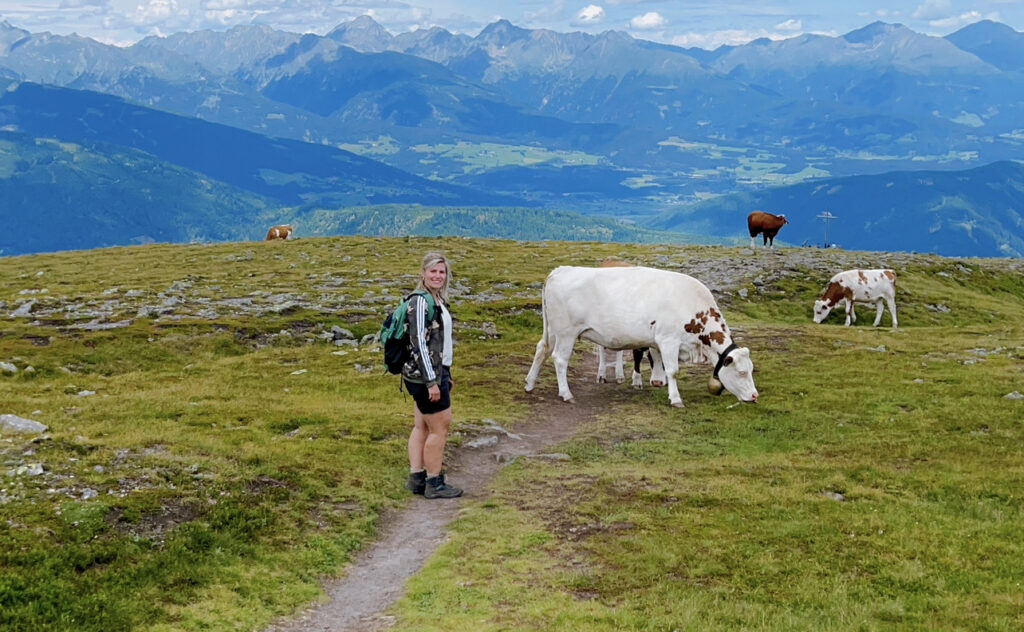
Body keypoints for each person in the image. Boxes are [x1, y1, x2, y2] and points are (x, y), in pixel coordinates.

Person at [402, 252, 462, 499]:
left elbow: (437, 343)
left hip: (433, 372)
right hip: (425, 376)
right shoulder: (421, 303)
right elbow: (419, 345)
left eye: (442, 272)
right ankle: (434, 483)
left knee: (421, 426)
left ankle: (417, 478)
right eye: (433, 271)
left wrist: (444, 372)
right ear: (423, 273)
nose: (438, 276)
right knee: (440, 427)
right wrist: (432, 382)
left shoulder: (435, 300)